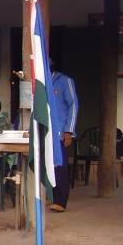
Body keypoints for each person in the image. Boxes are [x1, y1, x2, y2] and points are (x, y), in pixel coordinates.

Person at [49, 60, 78, 212]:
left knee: (59, 166)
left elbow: (74, 105)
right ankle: (50, 196)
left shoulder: (65, 81)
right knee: (47, 166)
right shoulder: (40, 82)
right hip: (44, 131)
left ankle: (60, 201)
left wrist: (69, 131)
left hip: (60, 132)